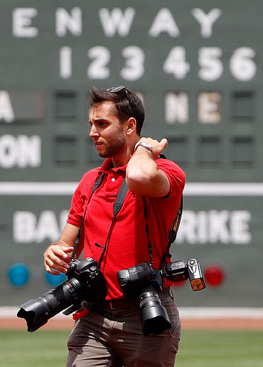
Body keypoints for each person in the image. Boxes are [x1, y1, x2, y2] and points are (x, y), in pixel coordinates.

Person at [43, 86, 185, 367]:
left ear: (130, 125)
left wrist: (143, 148)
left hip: (146, 315)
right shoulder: (90, 181)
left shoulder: (167, 172)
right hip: (94, 316)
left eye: (102, 124)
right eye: (91, 124)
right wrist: (54, 253)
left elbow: (139, 176)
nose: (92, 132)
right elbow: (65, 244)